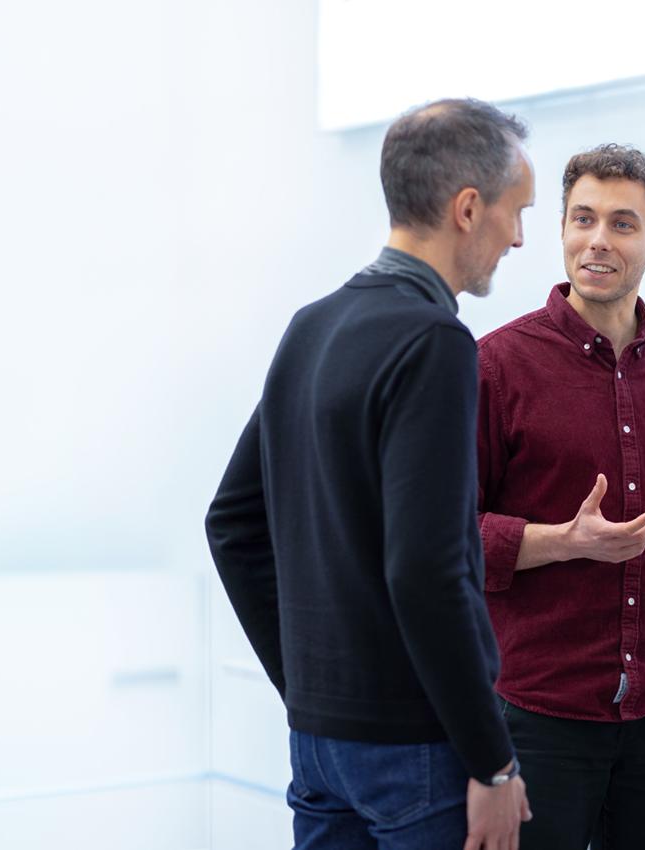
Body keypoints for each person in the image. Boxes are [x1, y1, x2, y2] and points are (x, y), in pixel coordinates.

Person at [205, 98, 535, 850]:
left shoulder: (312, 325)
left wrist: (307, 687)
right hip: (418, 751)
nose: (519, 237)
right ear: (467, 209)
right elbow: (427, 570)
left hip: (320, 743)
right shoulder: (435, 341)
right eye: (515, 212)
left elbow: (230, 524)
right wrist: (493, 763)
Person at [475, 143, 645, 849]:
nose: (597, 239)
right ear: (562, 229)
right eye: (582, 218)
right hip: (540, 713)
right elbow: (446, 539)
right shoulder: (495, 365)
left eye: (622, 224)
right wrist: (563, 542)